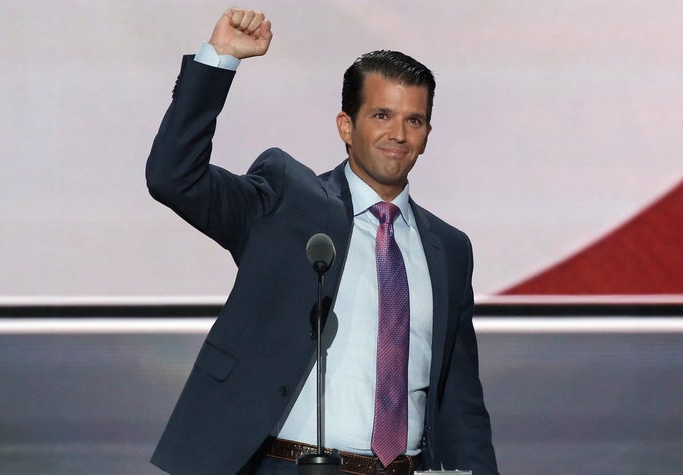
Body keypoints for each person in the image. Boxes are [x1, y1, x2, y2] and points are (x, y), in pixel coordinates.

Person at [146, 7, 498, 475]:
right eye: (382, 115)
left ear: (427, 134)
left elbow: (460, 402)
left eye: (414, 121)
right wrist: (220, 60)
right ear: (346, 126)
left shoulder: (450, 250)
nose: (398, 134)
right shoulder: (288, 201)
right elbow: (174, 178)